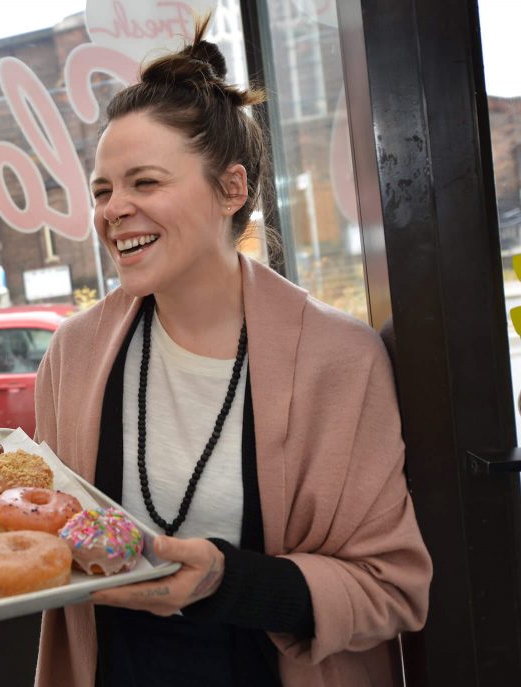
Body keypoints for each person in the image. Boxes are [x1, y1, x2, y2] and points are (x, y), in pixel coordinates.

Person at [32, 17, 432, 687]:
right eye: (102, 190)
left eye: (145, 183)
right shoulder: (74, 353)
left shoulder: (338, 358)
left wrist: (228, 580)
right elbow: (49, 531)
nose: (112, 209)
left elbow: (392, 588)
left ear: (232, 189)